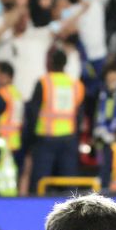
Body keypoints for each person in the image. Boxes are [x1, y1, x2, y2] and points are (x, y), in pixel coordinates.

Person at [26, 49, 84, 193]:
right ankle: (74, 213)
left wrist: (30, 137)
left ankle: (37, 210)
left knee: (40, 181)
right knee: (69, 182)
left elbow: (33, 112)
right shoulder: (76, 84)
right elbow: (80, 114)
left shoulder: (44, 82)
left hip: (46, 137)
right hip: (69, 137)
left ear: (50, 62)